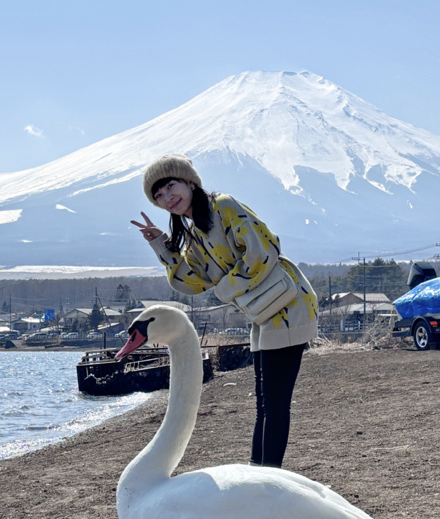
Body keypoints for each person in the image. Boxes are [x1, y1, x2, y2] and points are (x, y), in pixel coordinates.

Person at [132, 153, 317, 469]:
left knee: (274, 404)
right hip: (261, 312)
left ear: (190, 181)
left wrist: (226, 288)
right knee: (264, 404)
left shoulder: (224, 207)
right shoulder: (191, 234)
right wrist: (162, 244)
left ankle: (264, 481)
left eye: (171, 186)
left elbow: (264, 249)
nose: (167, 198)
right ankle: (258, 476)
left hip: (288, 306)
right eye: (159, 195)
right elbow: (191, 282)